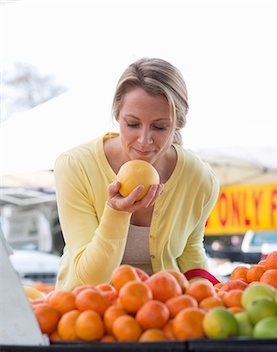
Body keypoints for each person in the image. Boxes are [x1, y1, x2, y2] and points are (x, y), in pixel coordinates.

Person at [54, 57, 219, 290]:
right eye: (132, 124)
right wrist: (116, 213)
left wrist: (206, 292)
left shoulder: (200, 179)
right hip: (84, 315)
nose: (144, 140)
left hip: (162, 316)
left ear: (178, 123)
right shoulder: (75, 166)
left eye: (160, 127)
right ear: (117, 116)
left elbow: (190, 251)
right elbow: (91, 278)